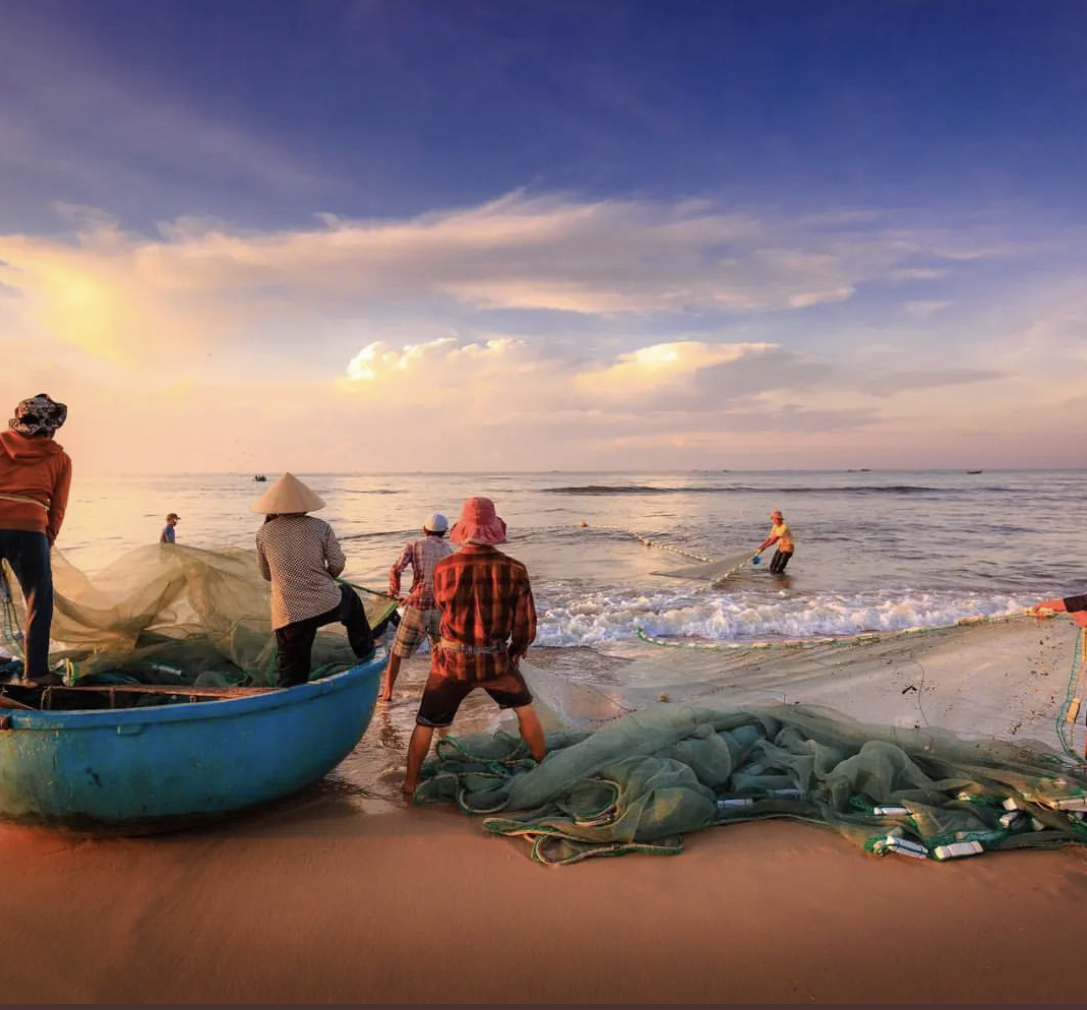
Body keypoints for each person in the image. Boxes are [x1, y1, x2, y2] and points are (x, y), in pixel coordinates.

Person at [402, 496, 545, 795]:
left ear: (463, 531)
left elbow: (443, 612)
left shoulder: (444, 568)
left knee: (425, 722)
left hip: (450, 662)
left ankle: (409, 783)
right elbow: (525, 625)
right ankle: (542, 769)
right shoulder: (515, 569)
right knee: (525, 710)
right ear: (494, 530)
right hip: (495, 660)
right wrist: (516, 650)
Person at [253, 472, 374, 688]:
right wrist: (325, 575)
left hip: (289, 614)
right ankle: (365, 652)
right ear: (304, 504)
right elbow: (337, 564)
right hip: (326, 603)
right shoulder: (320, 527)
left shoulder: (264, 533)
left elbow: (266, 574)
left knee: (292, 676)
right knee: (350, 598)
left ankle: (289, 709)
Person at [0, 393, 71, 686]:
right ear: (51, 427)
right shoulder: (60, 458)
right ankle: (35, 674)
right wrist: (46, 539)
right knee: (38, 602)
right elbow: (58, 509)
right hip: (30, 530)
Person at [379, 512, 454, 702]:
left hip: (417, 606)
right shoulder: (449, 551)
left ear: (424, 530)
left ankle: (387, 693)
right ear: (444, 532)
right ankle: (441, 692)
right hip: (440, 609)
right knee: (439, 654)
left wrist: (393, 591)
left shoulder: (414, 544)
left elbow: (396, 568)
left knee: (397, 652)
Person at [753, 509, 795, 574]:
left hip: (788, 549)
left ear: (780, 519)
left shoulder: (784, 527)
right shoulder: (775, 526)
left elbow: (774, 539)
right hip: (780, 548)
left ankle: (782, 582)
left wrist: (764, 547)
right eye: (774, 519)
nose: (775, 520)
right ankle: (776, 581)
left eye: (776, 519)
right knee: (772, 567)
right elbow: (770, 538)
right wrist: (761, 546)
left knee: (779, 569)